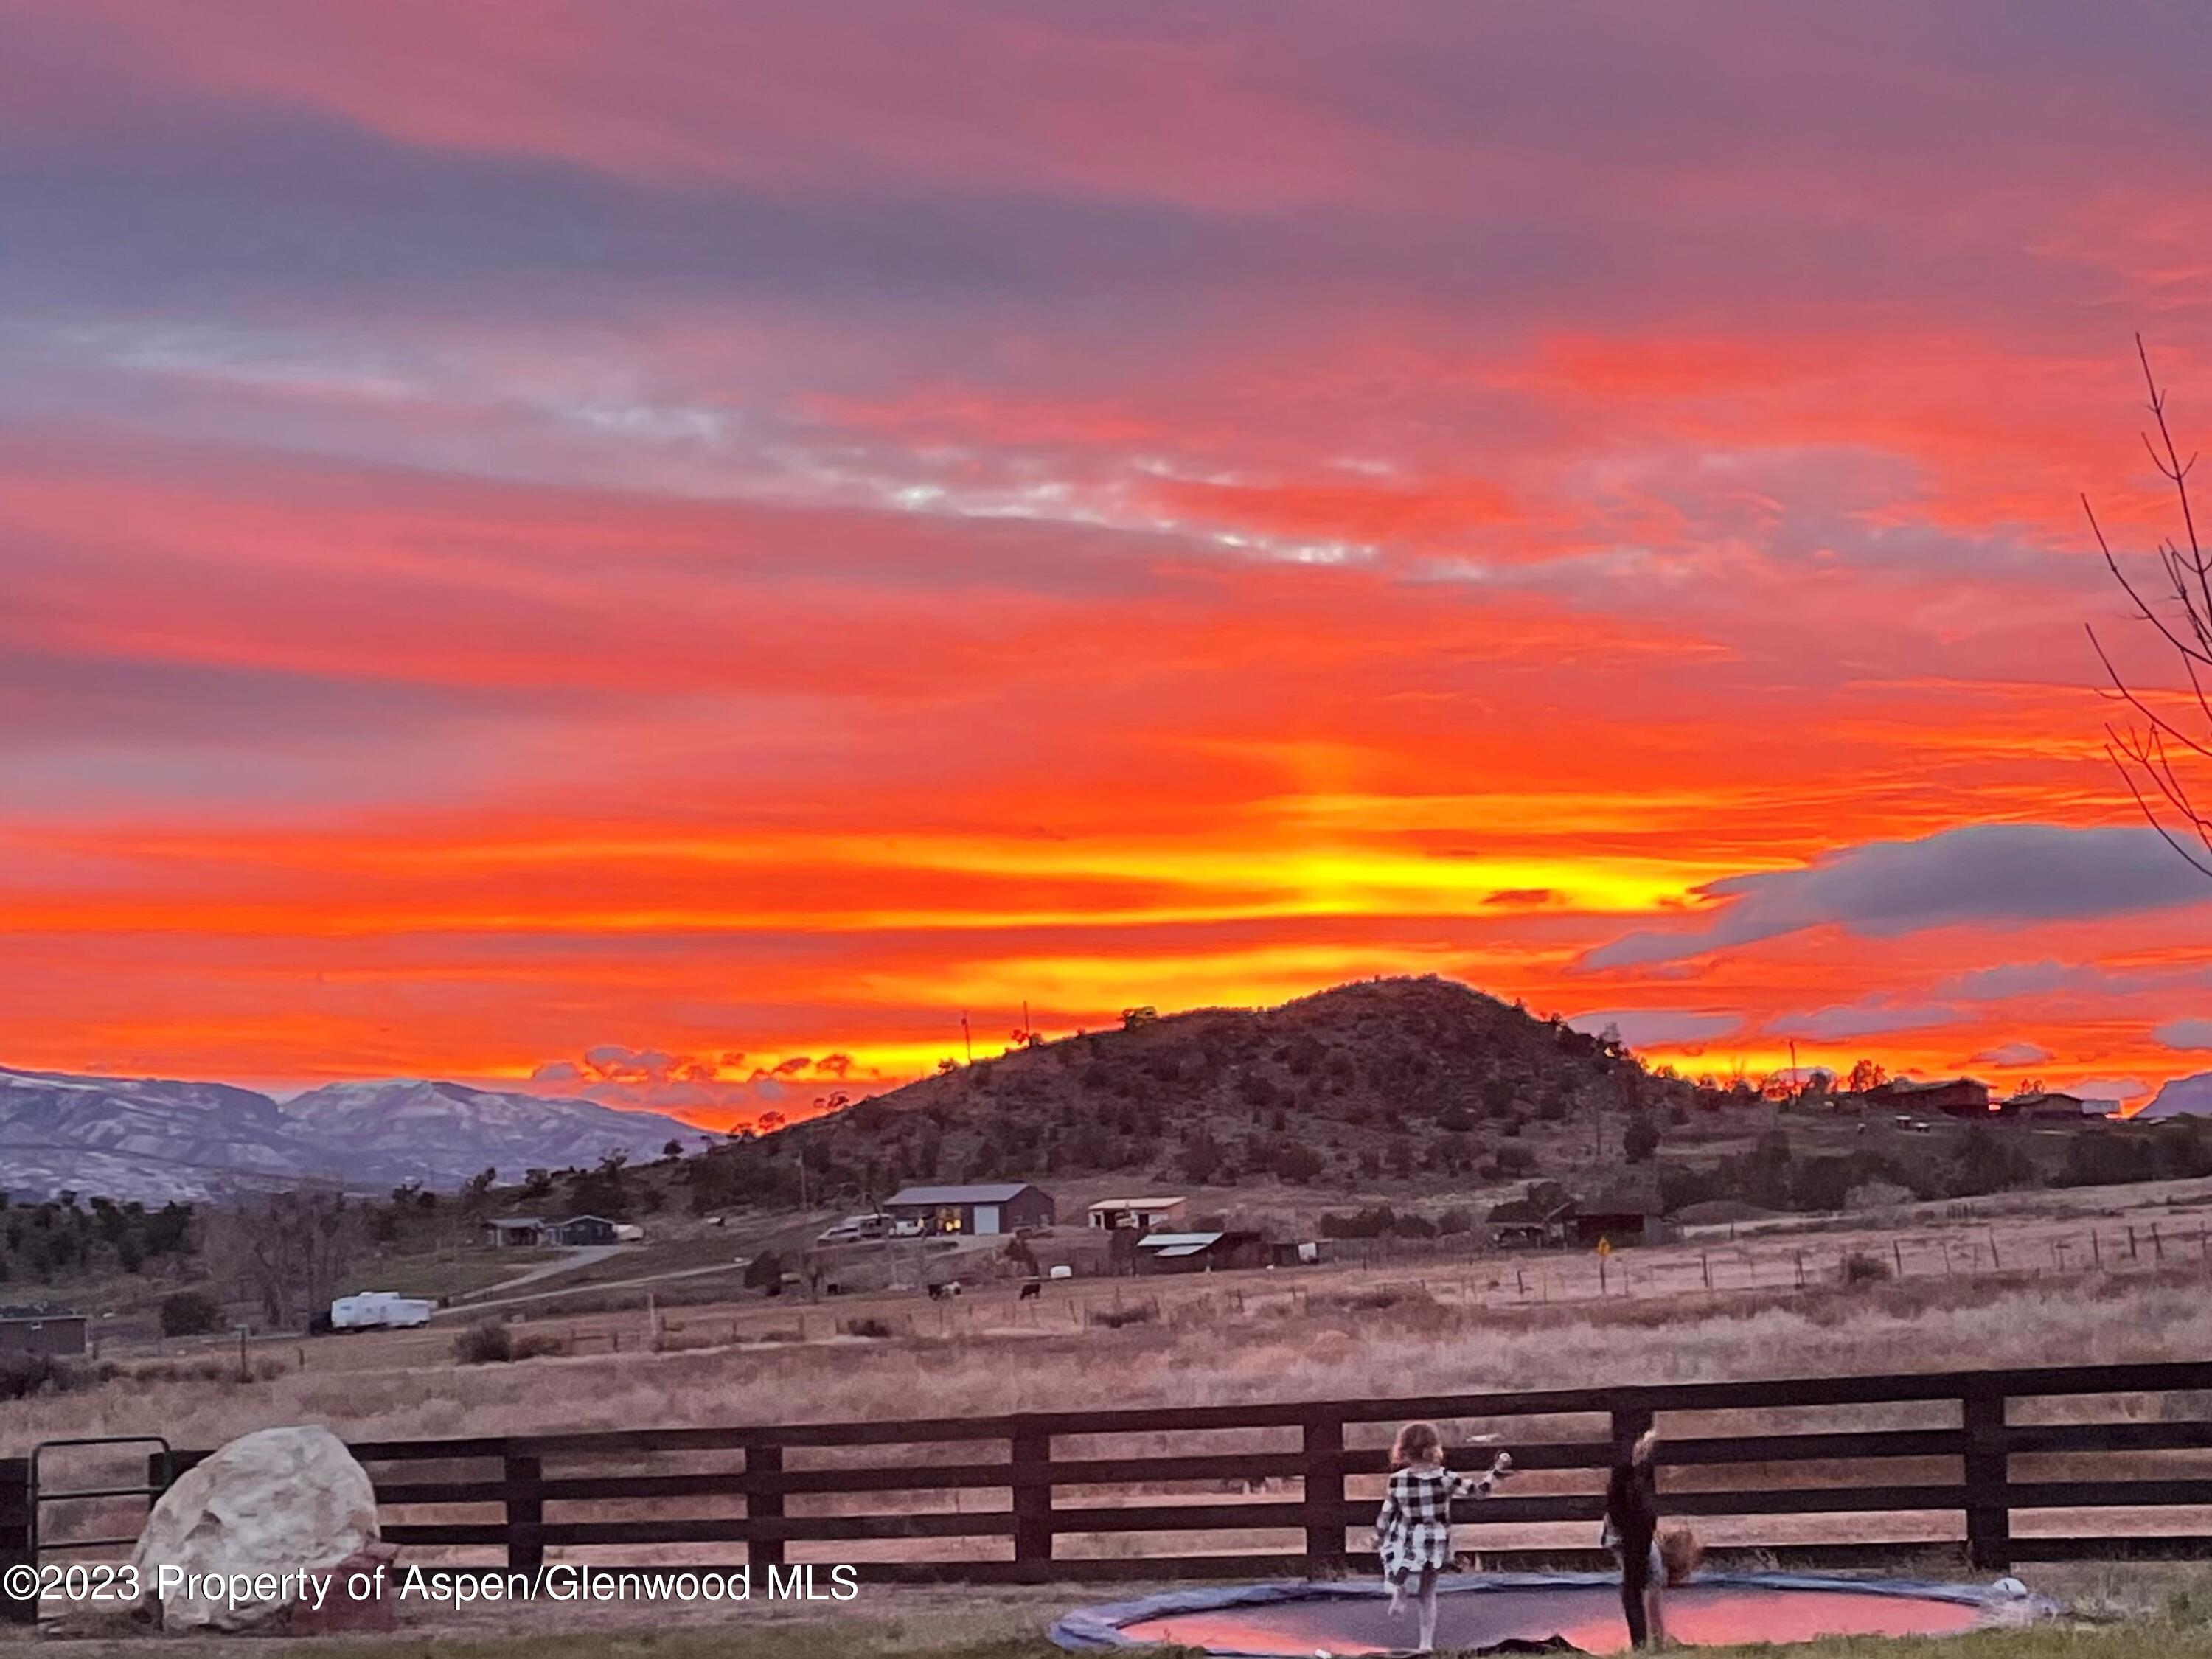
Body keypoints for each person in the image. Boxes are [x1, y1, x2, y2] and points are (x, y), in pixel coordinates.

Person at [1376, 1421, 1513, 1655]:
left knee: (1394, 1562)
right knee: (1427, 1592)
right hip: (1434, 1542)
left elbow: (1387, 1513)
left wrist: (1378, 1535)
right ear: (1435, 1448)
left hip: (1406, 1539)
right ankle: (1426, 1643)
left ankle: (1398, 1590)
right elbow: (1480, 1492)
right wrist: (1496, 1470)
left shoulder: (1398, 1479)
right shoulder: (1446, 1478)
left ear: (1403, 1450)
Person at [1602, 1427, 1665, 1648]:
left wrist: (1651, 1530)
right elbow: (1617, 1508)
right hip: (1626, 1535)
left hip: (1638, 1532)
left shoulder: (1642, 1471)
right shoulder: (1623, 1473)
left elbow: (1646, 1505)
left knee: (1653, 1577)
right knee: (1635, 1586)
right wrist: (1627, 1536)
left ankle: (1656, 1639)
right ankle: (1641, 1642)